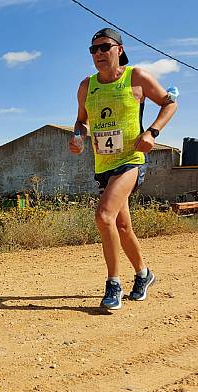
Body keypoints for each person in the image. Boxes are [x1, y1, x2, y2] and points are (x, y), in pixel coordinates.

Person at [69, 27, 177, 310]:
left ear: (119, 49)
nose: (99, 54)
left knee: (104, 216)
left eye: (105, 47)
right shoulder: (86, 86)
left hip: (131, 159)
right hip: (103, 163)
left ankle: (113, 283)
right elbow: (81, 120)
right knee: (122, 225)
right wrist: (78, 136)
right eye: (93, 50)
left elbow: (170, 103)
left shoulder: (136, 77)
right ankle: (144, 274)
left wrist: (152, 132)